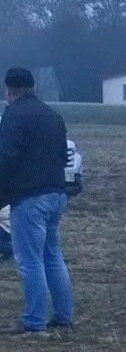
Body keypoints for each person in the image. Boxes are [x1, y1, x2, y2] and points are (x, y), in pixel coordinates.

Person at [0, 68, 75, 334]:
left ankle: (34, 321)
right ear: (33, 87)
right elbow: (64, 155)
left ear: (10, 90)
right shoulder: (52, 115)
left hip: (29, 199)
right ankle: (64, 315)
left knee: (30, 260)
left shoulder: (14, 116)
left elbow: (5, 159)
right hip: (56, 194)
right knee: (52, 256)